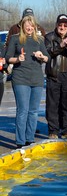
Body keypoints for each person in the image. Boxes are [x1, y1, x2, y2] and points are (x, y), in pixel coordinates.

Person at [5, 15, 50, 148]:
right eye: (27, 25)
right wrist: (17, 59)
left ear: (35, 26)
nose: (29, 28)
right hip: (20, 78)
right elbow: (8, 58)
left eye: (32, 25)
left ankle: (30, 140)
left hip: (37, 79)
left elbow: (48, 57)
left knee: (33, 111)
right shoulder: (15, 39)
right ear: (23, 26)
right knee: (23, 110)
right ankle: (20, 142)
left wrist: (42, 57)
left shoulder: (39, 40)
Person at [45, 14, 67, 139]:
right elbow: (48, 52)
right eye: (60, 24)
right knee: (53, 104)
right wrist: (61, 45)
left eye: (65, 25)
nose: (62, 27)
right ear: (56, 25)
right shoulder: (49, 37)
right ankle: (53, 130)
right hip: (54, 74)